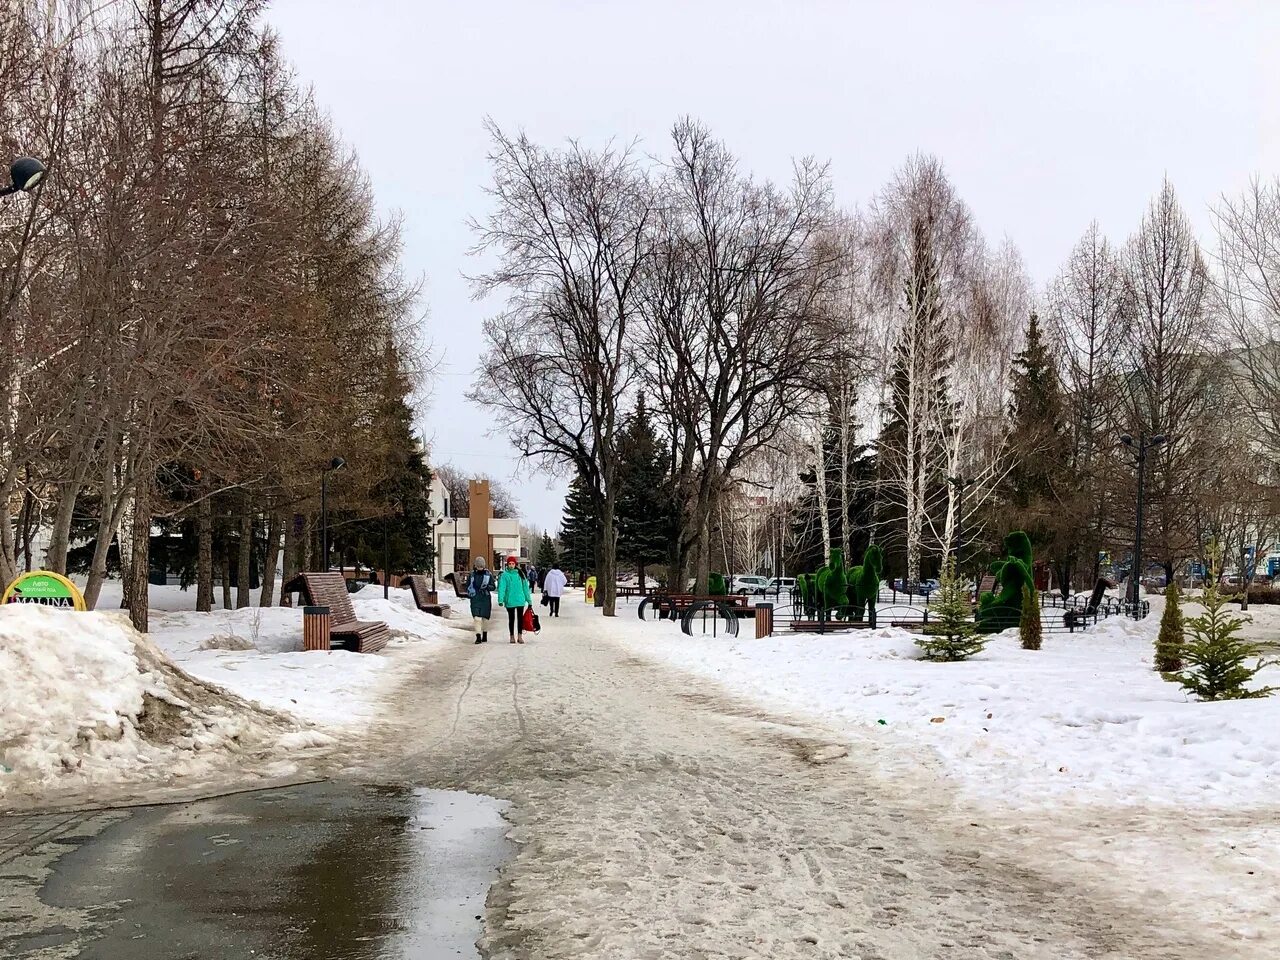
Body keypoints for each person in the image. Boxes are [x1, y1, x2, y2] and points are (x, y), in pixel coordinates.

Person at [497, 554, 533, 643]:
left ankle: (520, 636)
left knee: (520, 619)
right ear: (507, 565)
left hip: (520, 599)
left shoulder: (520, 574)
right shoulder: (505, 575)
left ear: (515, 564)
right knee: (511, 619)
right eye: (510, 564)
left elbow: (525, 588)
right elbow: (502, 588)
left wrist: (529, 600)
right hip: (510, 600)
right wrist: (500, 599)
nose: (511, 565)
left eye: (513, 564)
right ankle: (512, 636)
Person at [466, 556, 495, 645]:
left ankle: (485, 634)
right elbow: (467, 586)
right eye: (478, 566)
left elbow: (493, 586)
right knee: (477, 618)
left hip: (485, 598)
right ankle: (478, 636)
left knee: (485, 618)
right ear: (475, 566)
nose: (479, 568)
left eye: (481, 566)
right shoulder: (472, 575)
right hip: (475, 598)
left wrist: (487, 587)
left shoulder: (488, 575)